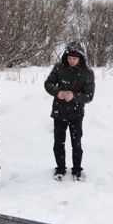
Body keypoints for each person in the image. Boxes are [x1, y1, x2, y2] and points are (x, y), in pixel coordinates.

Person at [44, 41, 95, 181]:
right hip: (58, 112)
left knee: (76, 143)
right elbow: (48, 84)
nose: (71, 61)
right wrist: (57, 92)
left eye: (75, 58)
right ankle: (60, 168)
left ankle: (77, 170)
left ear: (80, 58)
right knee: (58, 143)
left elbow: (89, 96)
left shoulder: (87, 73)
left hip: (76, 113)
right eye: (69, 58)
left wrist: (75, 96)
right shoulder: (59, 67)